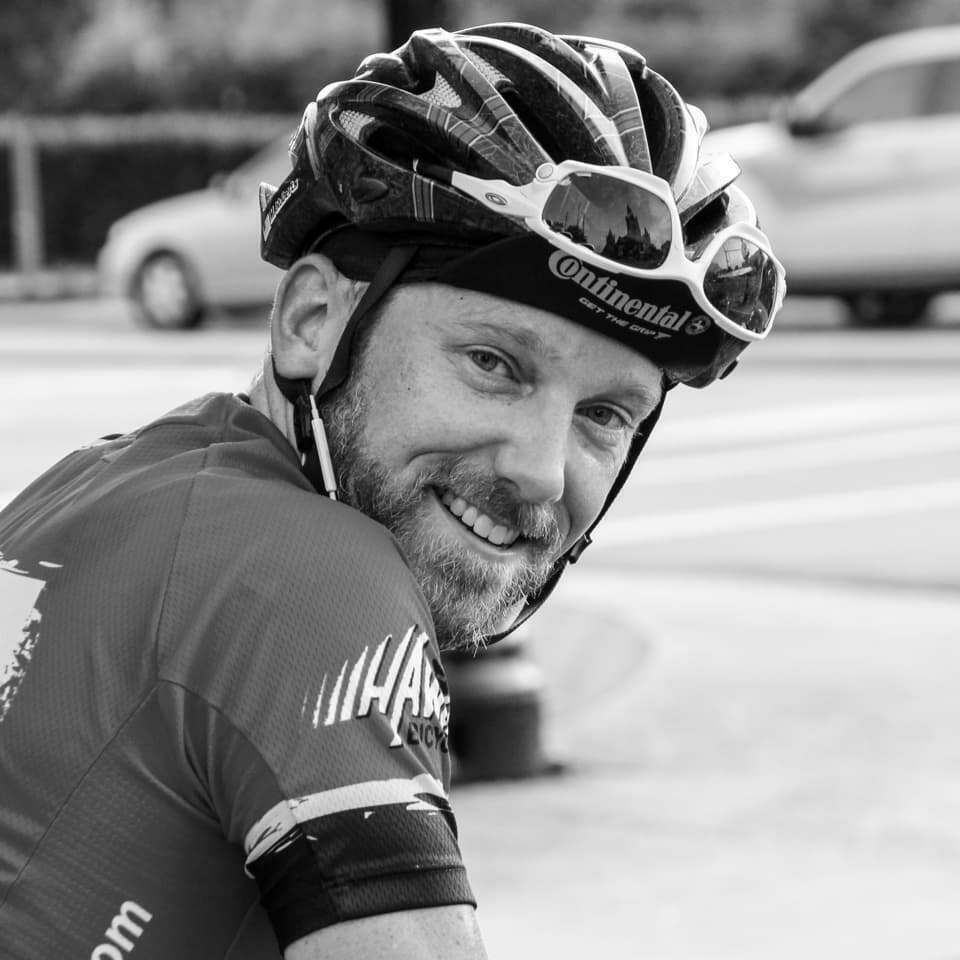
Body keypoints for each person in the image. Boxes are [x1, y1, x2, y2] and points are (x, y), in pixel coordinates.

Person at [0, 23, 784, 960]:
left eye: (607, 415)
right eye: (494, 363)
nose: (539, 469)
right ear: (311, 320)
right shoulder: (305, 574)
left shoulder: (99, 488)